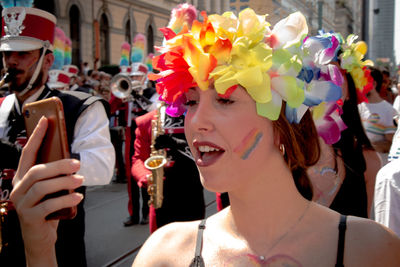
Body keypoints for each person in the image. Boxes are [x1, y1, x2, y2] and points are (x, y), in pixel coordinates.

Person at [9, 7, 400, 267]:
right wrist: (40, 248)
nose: (196, 123)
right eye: (191, 101)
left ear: (282, 120)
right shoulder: (165, 253)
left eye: (226, 99)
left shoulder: (371, 250)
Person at [0, 3, 115, 266]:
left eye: (22, 54)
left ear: (47, 60)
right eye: (7, 55)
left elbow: (102, 168)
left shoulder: (80, 106)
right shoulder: (1, 106)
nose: (11, 62)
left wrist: (20, 156)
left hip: (57, 243)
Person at [131, 103, 205, 233]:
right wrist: (146, 177)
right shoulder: (147, 121)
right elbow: (138, 159)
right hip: (161, 191)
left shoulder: (198, 117)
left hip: (192, 190)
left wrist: (177, 143)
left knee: (192, 242)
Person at [358, 67, 398, 164]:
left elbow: (392, 143)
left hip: (380, 166)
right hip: (363, 167)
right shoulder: (358, 107)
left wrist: (367, 147)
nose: (359, 85)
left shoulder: (389, 110)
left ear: (374, 84)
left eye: (362, 81)